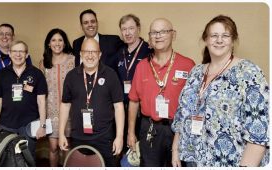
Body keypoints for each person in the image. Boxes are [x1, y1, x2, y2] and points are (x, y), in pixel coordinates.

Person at [171, 15, 270, 167]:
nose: (219, 40)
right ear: (205, 39)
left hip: (230, 162)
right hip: (193, 159)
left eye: (225, 35)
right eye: (214, 36)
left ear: (233, 40)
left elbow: (259, 131)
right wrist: (175, 149)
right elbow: (181, 113)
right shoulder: (196, 71)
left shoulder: (249, 72)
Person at [127, 18, 195, 167]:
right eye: (154, 33)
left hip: (178, 131)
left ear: (173, 35)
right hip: (149, 129)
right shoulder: (142, 66)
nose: (158, 36)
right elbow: (133, 101)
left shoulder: (188, 65)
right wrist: (130, 132)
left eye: (164, 31)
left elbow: (195, 104)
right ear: (149, 37)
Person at [58, 38, 124, 167]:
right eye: (86, 52)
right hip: (78, 136)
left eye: (93, 52)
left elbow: (118, 107)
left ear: (100, 54)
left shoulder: (111, 75)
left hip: (104, 137)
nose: (89, 56)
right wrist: (61, 134)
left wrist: (119, 136)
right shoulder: (71, 76)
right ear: (81, 54)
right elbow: (65, 105)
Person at [0, 40, 47, 160]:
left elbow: (42, 101)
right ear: (10, 54)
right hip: (6, 125)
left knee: (28, 156)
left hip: (28, 125)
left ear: (27, 55)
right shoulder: (1, 74)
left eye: (21, 51)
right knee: (7, 157)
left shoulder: (37, 74)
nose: (18, 54)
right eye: (15, 51)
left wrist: (42, 125)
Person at [115, 14, 153, 157]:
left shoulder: (149, 49)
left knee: (141, 148)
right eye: (124, 29)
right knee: (125, 148)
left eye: (131, 28)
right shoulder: (120, 52)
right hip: (122, 108)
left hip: (142, 109)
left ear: (138, 29)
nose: (128, 33)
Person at [40, 28, 75, 167]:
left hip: (70, 110)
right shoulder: (44, 63)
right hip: (51, 111)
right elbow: (42, 89)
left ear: (65, 43)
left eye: (60, 40)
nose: (57, 43)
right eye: (53, 40)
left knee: (67, 144)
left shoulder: (73, 60)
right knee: (54, 146)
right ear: (49, 44)